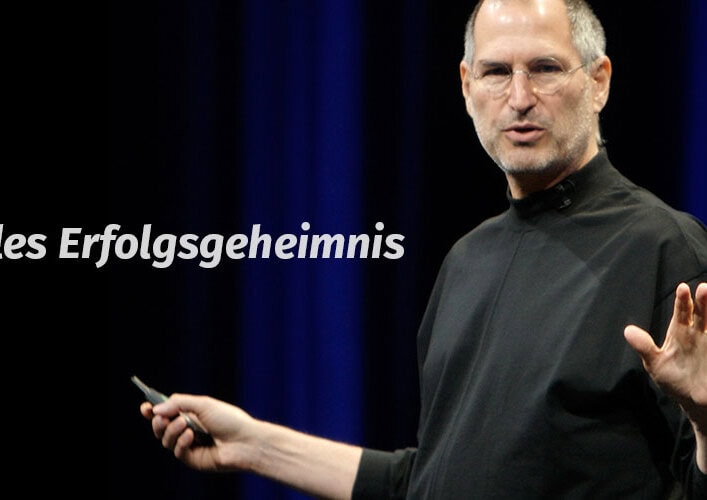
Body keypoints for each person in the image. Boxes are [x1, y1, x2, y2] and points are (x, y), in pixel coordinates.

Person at [140, 0, 707, 497]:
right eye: (495, 72)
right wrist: (253, 445)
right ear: (466, 86)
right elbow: (430, 480)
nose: (519, 97)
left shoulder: (664, 249)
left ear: (599, 81)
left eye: (545, 69)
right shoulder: (467, 262)